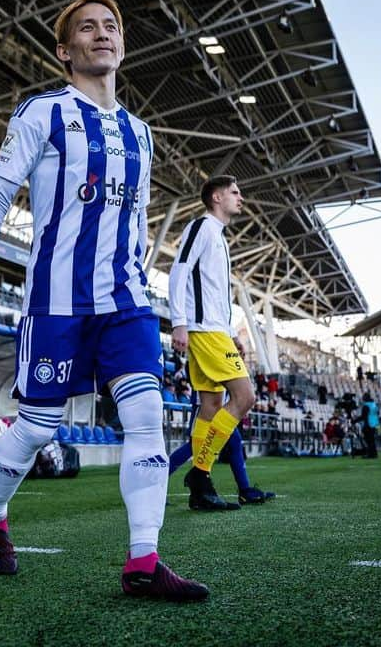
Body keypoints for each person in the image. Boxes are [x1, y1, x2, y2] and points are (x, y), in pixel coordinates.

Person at [0, 0, 207, 599]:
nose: (102, 34)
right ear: (65, 51)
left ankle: (144, 559)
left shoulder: (141, 133)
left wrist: (141, 278)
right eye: (87, 28)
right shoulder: (43, 113)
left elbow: (137, 219)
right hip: (57, 301)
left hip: (126, 302)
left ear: (121, 42)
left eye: (110, 26)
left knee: (145, 419)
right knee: (38, 427)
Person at [168, 175, 257, 511]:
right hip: (203, 331)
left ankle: (200, 490)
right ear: (217, 197)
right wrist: (179, 322)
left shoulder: (219, 237)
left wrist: (233, 332)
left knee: (209, 406)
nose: (241, 197)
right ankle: (200, 471)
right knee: (245, 397)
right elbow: (178, 271)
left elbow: (216, 293)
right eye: (235, 192)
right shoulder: (202, 227)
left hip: (216, 330)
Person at [360, 392, 379, 459]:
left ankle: (370, 454)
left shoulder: (366, 406)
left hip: (368, 424)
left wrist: (354, 421)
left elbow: (363, 416)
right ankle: (374, 454)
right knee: (372, 440)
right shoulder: (374, 405)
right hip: (374, 424)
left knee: (368, 440)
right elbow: (377, 413)